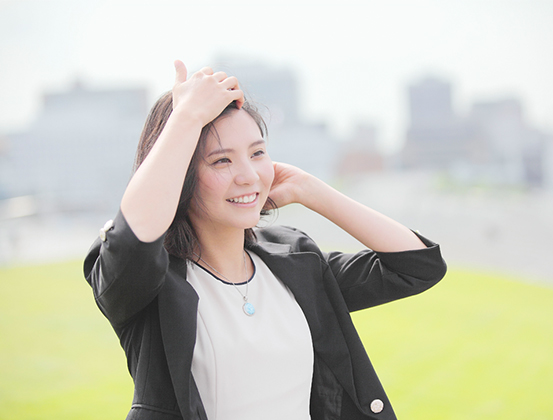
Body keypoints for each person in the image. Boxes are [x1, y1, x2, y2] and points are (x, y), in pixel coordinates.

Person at [83, 60, 447, 420]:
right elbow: (133, 238)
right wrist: (186, 118)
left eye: (257, 153)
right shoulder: (151, 287)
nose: (248, 176)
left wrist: (310, 189)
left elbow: (418, 265)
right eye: (221, 161)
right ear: (181, 175)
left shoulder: (295, 260)